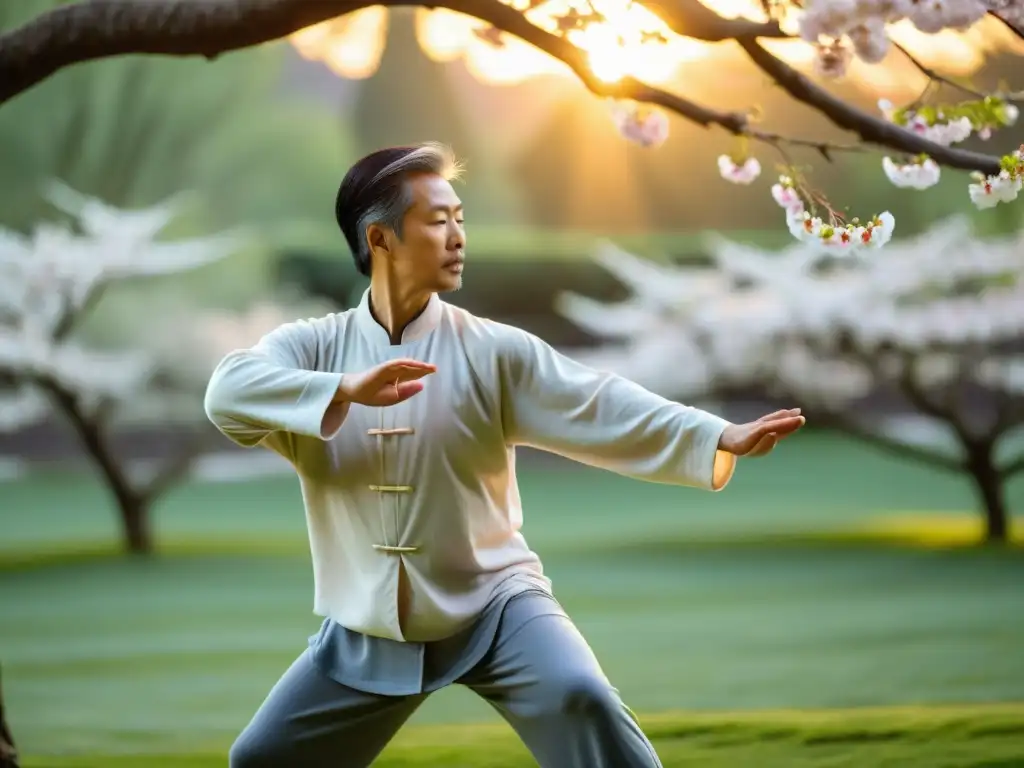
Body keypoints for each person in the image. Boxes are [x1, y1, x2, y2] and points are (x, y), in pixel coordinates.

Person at [204, 142, 806, 768]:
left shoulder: (492, 350)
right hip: (368, 626)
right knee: (262, 758)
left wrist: (715, 434)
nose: (458, 236)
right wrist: (343, 390)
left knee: (581, 696)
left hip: (495, 605)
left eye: (460, 218)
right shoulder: (312, 347)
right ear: (380, 238)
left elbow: (596, 401)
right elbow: (227, 391)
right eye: (438, 221)